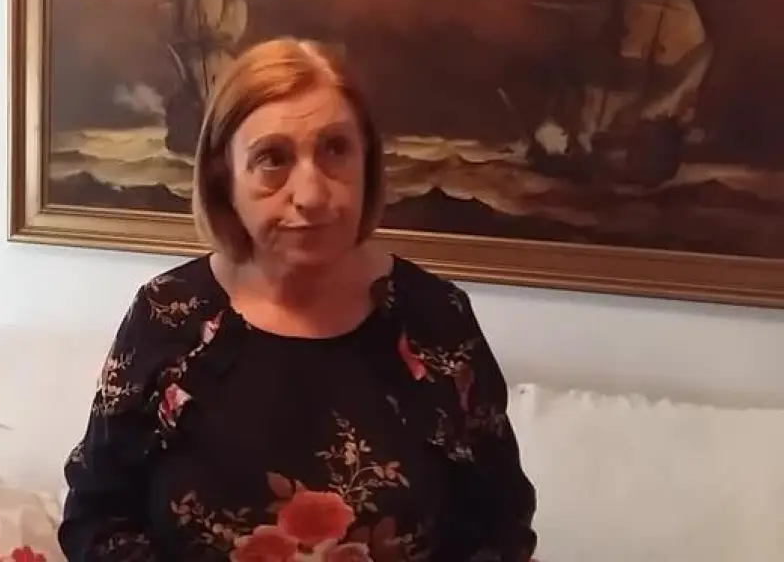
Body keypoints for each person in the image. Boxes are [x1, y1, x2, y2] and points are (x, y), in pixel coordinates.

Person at [59, 37, 538, 561]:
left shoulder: (436, 319)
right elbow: (96, 518)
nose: (311, 195)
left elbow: (500, 528)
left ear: (368, 162)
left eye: (335, 149)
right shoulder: (168, 315)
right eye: (272, 159)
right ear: (224, 177)